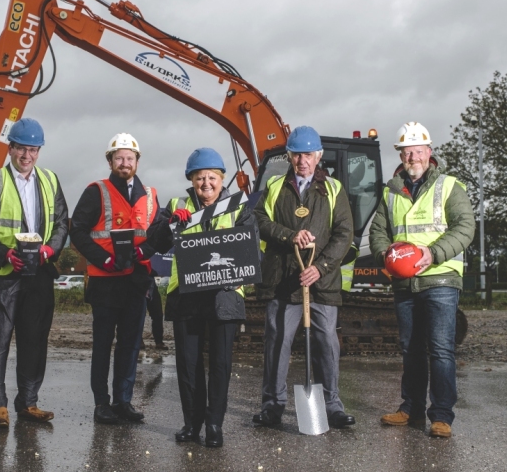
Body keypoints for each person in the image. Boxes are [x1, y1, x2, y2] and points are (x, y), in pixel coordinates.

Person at [369, 122, 474, 438]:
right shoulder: (390, 192)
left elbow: (465, 227)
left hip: (440, 279)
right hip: (404, 284)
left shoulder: (449, 186)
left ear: (429, 152)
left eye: (418, 150)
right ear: (400, 156)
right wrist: (384, 255)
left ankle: (441, 415)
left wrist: (435, 253)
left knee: (441, 348)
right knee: (410, 348)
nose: (413, 156)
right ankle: (411, 408)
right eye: (407, 152)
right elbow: (378, 232)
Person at [148, 147, 255, 447]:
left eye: (212, 177)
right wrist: (172, 224)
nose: (206, 183)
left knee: (220, 364)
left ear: (222, 179)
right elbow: (154, 241)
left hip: (225, 295)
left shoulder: (239, 206)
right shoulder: (176, 204)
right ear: (191, 180)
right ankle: (191, 424)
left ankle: (214, 425)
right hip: (187, 296)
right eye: (199, 178)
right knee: (188, 363)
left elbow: (251, 247)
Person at [252, 126, 356, 430]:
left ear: (318, 156)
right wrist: (289, 235)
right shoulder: (274, 187)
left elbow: (344, 233)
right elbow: (258, 220)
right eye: (297, 154)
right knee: (278, 342)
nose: (302, 161)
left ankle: (332, 405)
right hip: (282, 280)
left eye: (308, 154)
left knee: (326, 342)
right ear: (289, 156)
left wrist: (320, 267)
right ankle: (272, 405)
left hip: (321, 283)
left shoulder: (334, 189)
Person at [0, 117, 69, 428]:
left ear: (38, 151)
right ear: (10, 148)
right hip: (3, 274)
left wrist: (49, 250)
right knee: (0, 339)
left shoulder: (51, 180)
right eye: (20, 149)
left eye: (32, 150)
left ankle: (28, 402)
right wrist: (5, 254)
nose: (26, 156)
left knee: (34, 339)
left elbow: (62, 224)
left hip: (39, 272)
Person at [70, 133, 161, 424]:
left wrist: (166, 229)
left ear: (137, 161)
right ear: (110, 161)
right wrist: (103, 258)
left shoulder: (150, 196)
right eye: (119, 157)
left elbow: (158, 234)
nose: (125, 163)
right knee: (103, 344)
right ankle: (101, 403)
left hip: (136, 281)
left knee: (131, 345)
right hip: (106, 280)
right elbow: (79, 232)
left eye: (130, 158)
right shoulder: (96, 191)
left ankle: (123, 401)